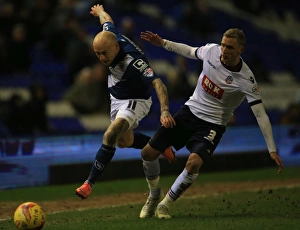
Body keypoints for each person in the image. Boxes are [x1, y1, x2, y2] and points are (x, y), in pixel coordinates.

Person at [138, 29, 284, 219]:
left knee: (194, 162)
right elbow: (189, 51)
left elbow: (261, 115)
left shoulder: (246, 79)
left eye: (230, 47)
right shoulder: (211, 51)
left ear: (241, 50)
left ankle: (165, 205)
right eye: (223, 44)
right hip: (189, 112)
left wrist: (271, 149)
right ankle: (154, 195)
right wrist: (163, 43)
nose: (224, 49)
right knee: (147, 153)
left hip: (212, 125)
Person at [75, 4, 176, 199]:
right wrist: (100, 11)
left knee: (112, 132)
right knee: (125, 141)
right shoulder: (110, 37)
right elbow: (107, 22)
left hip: (136, 99)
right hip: (117, 95)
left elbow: (158, 84)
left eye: (104, 53)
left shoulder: (134, 60)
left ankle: (89, 183)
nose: (102, 58)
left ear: (116, 47)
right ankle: (161, 145)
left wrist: (164, 112)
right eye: (98, 54)